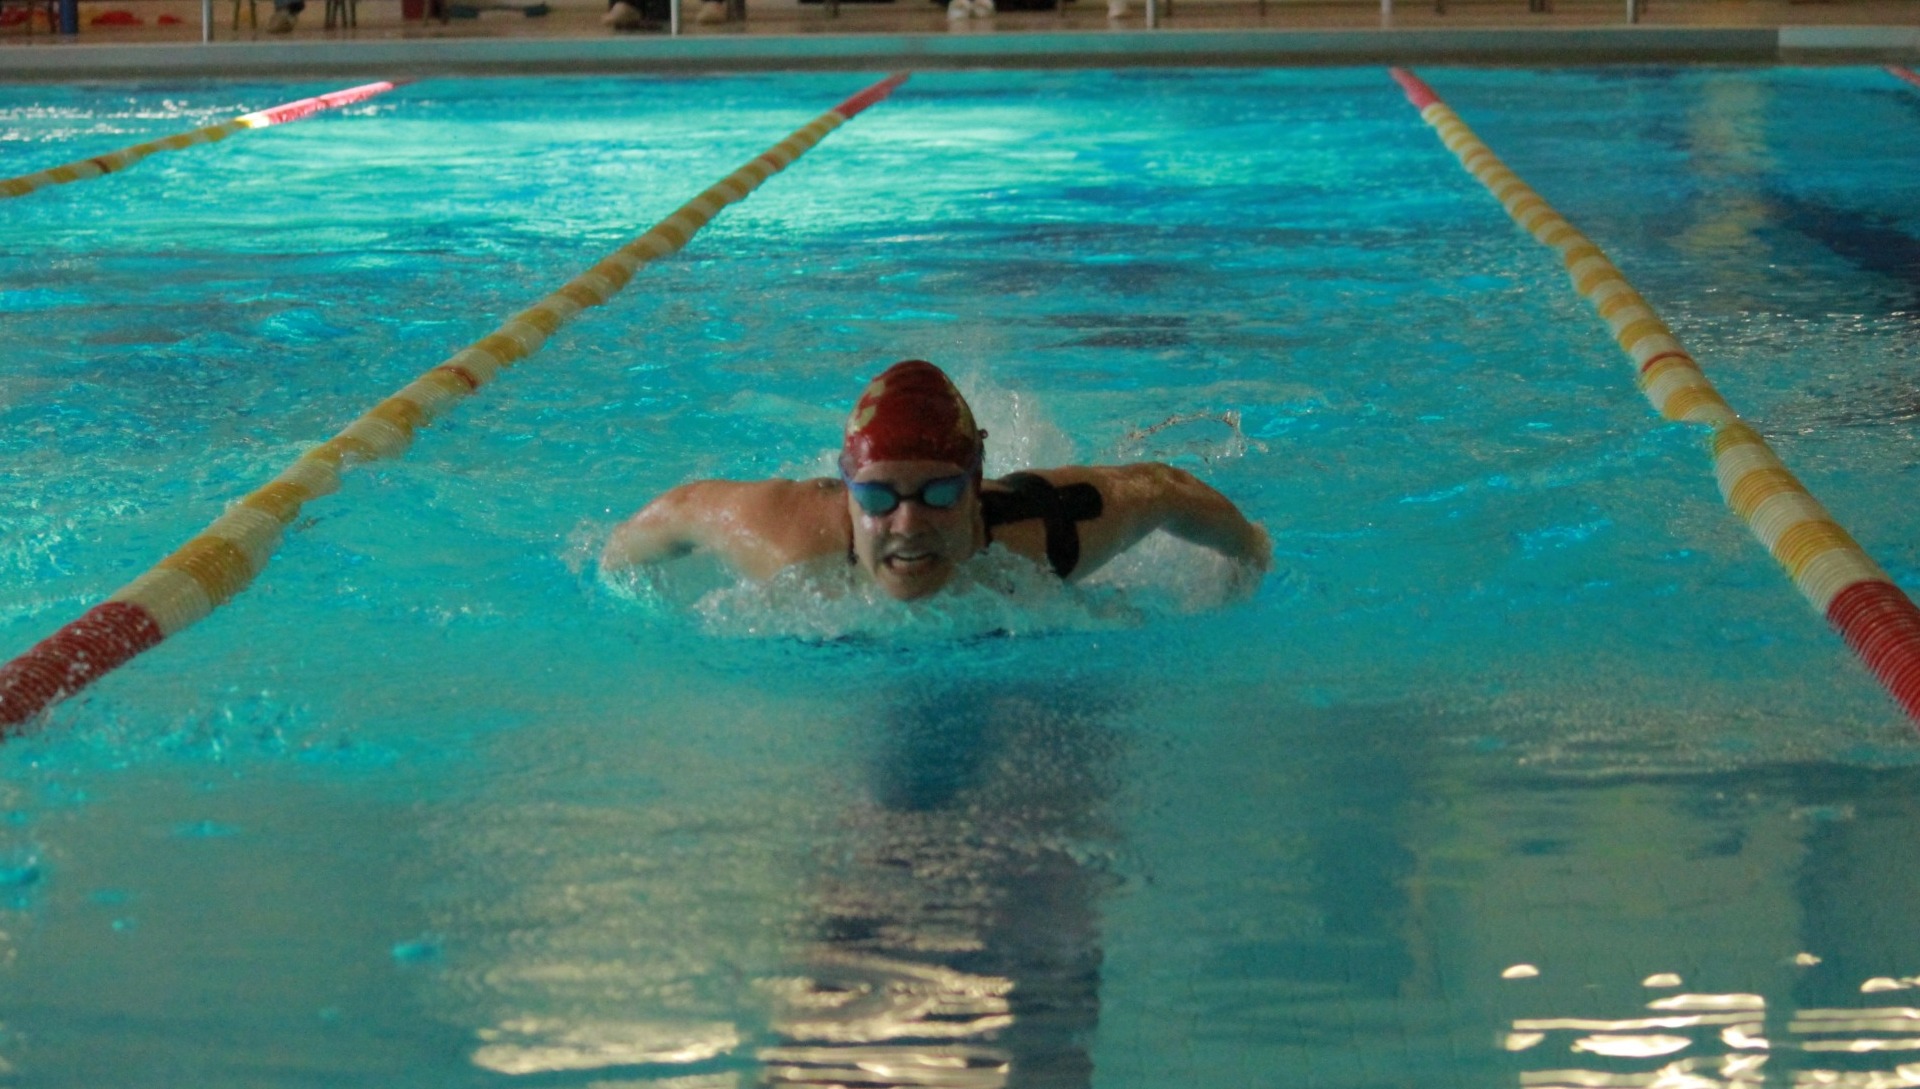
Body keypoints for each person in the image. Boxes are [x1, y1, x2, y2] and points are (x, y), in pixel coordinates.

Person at [600, 359, 1270, 602]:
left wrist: (1248, 558)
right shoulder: (787, 538)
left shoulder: (1047, 536)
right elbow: (674, 514)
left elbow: (1163, 487)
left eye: (941, 493)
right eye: (879, 496)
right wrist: (627, 590)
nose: (909, 522)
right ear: (848, 490)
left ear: (977, 487)